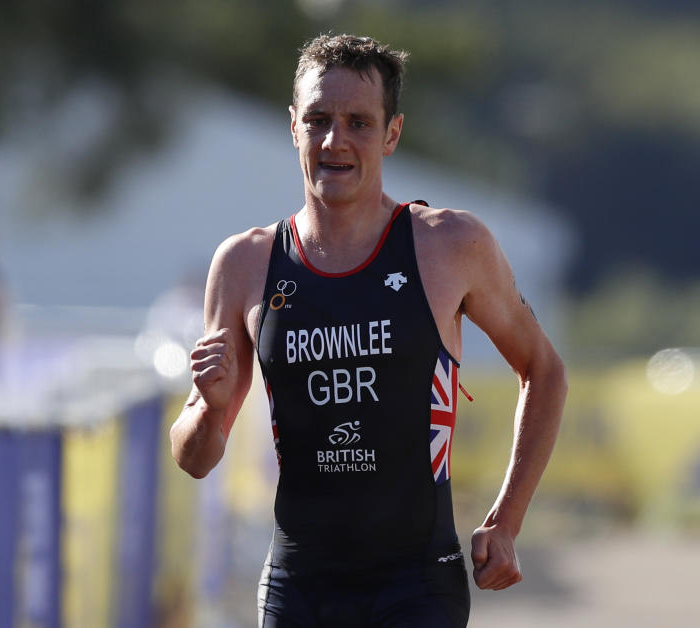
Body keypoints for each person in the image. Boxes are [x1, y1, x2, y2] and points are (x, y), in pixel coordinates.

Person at [169, 34, 567, 627]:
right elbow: (195, 457)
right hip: (299, 585)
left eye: (359, 122)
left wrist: (505, 522)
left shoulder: (450, 245)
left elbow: (544, 370)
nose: (336, 141)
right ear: (293, 127)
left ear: (392, 134)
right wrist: (209, 409)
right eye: (319, 120)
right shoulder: (245, 264)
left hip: (417, 583)